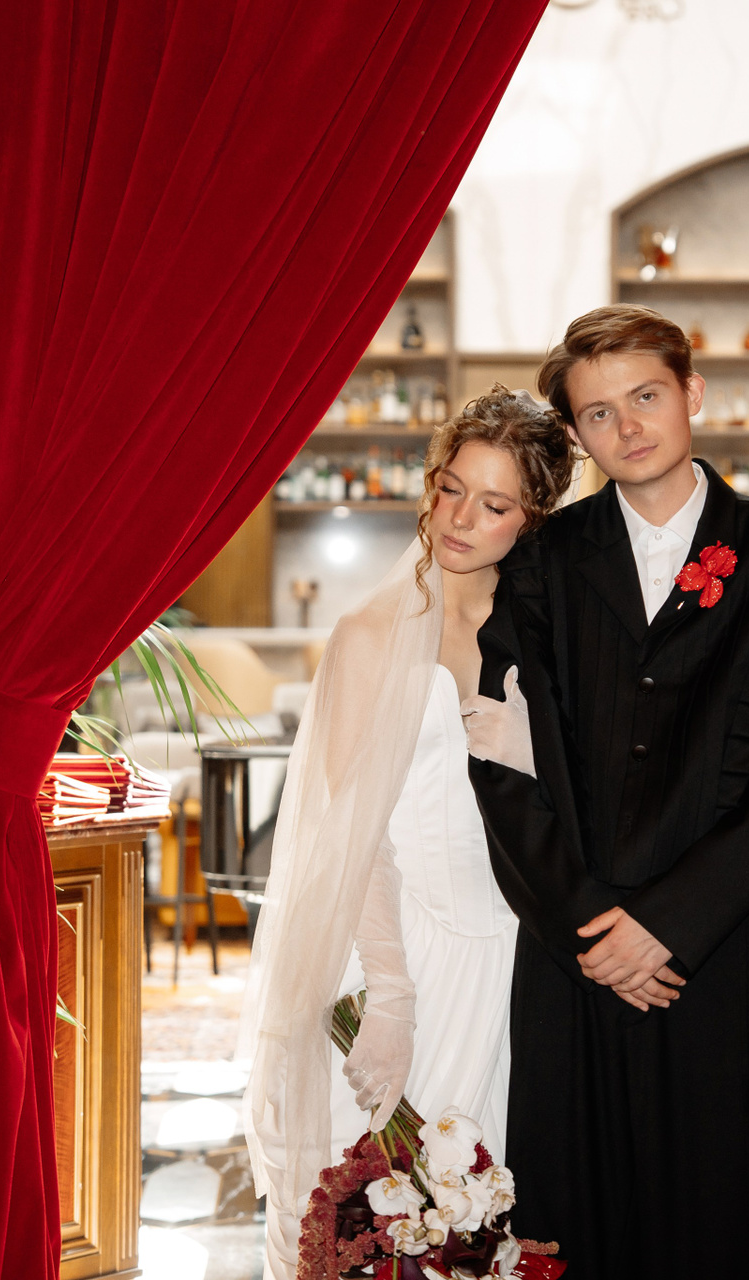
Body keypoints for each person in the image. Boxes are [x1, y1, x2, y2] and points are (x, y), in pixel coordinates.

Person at [462, 305, 749, 1277]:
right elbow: (501, 761)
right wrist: (594, 928)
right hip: (572, 957)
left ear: (693, 393)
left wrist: (667, 925)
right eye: (598, 413)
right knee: (568, 1236)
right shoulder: (538, 561)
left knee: (719, 1228)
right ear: (577, 434)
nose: (627, 426)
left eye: (645, 396)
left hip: (716, 960)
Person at [240, 387, 578, 1280]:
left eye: (494, 504)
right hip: (400, 950)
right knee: (371, 1224)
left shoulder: (546, 633)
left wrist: (541, 758)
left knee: (480, 1225)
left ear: (532, 517)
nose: (460, 519)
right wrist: (390, 997)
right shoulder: (370, 635)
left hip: (513, 961)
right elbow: (357, 837)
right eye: (451, 488)